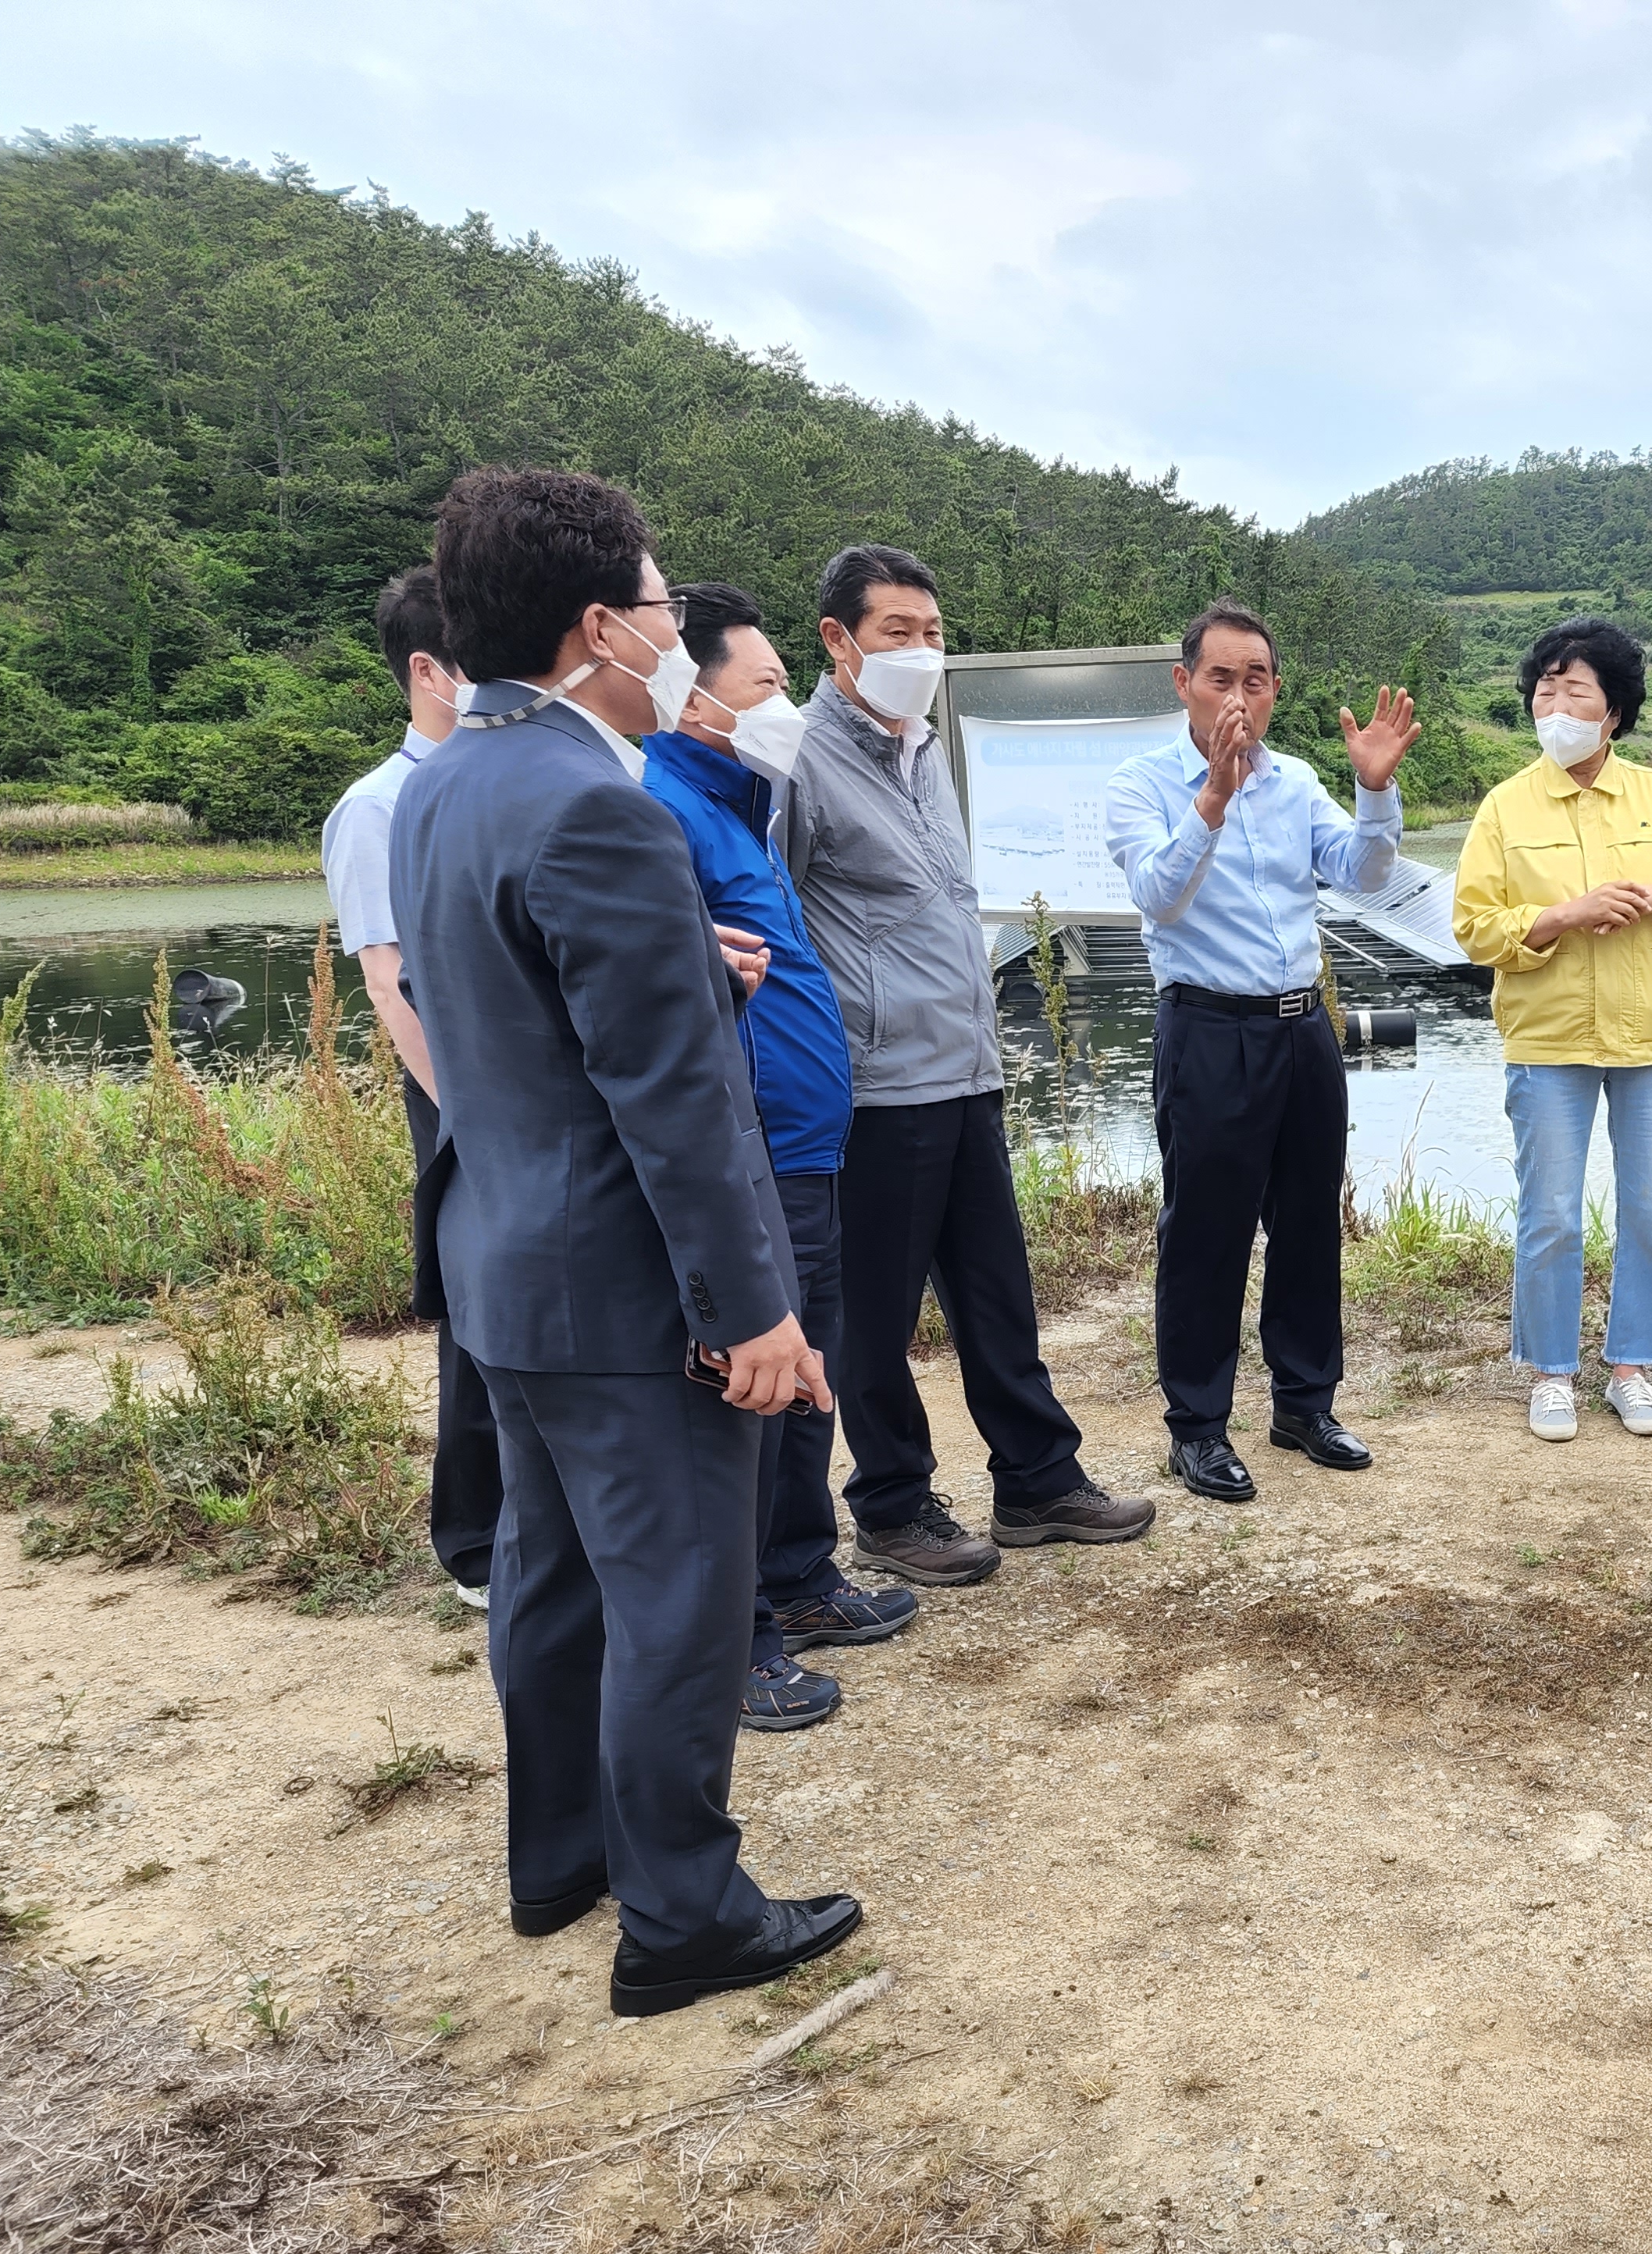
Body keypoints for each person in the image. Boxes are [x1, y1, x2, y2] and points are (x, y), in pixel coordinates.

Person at [392, 466, 857, 2015]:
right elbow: (668, 1103)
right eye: (665, 610)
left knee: (550, 1580)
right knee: (676, 1595)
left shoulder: (447, 778)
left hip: (503, 1263)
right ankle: (680, 1917)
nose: (678, 634)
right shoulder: (599, 804)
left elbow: (513, 1028)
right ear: (599, 626)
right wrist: (753, 1312)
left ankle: (562, 1860)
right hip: (622, 1288)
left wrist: (686, 977)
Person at [784, 544, 1154, 1573]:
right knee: (878, 1317)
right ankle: (892, 1504)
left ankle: (1037, 1480)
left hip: (967, 1069)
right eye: (898, 632)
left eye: (935, 634)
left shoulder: (921, 749)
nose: (921, 651)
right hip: (879, 1084)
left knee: (998, 1293)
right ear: (838, 640)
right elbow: (776, 924)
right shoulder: (802, 763)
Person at [645, 581, 923, 1733]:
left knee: (810, 1369)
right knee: (749, 1393)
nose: (786, 710)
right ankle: (740, 1634)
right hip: (752, 1148)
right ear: (693, 695)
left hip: (810, 1145)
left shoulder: (743, 797)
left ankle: (802, 1579)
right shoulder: (664, 808)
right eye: (767, 688)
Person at [1104, 600, 1425, 1501]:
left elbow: (1361, 874)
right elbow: (1159, 898)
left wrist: (1373, 790)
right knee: (1205, 1233)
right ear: (1184, 684)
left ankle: (1303, 1404)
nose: (1238, 696)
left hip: (1302, 1027)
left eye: (1256, 680)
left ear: (1275, 689)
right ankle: (1198, 1427)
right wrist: (1211, 797)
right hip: (1208, 1028)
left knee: (1308, 1221)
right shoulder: (1141, 784)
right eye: (1220, 678)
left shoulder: (1293, 780)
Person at [1450, 618, 1652, 1441]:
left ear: (1613, 714)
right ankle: (1551, 1372)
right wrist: (1560, 916)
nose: (1555, 705)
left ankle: (1633, 1366)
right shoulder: (1504, 807)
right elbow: (1473, 926)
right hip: (1548, 1036)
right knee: (1551, 1215)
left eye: (1576, 691)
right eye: (1545, 690)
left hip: (1651, 1037)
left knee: (1647, 1211)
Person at [319, 568, 500, 1613]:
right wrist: (469, 1112)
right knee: (477, 1306)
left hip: (512, 1087)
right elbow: (391, 981)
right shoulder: (377, 806)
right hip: (462, 1096)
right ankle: (473, 1543)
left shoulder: (491, 783)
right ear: (428, 672)